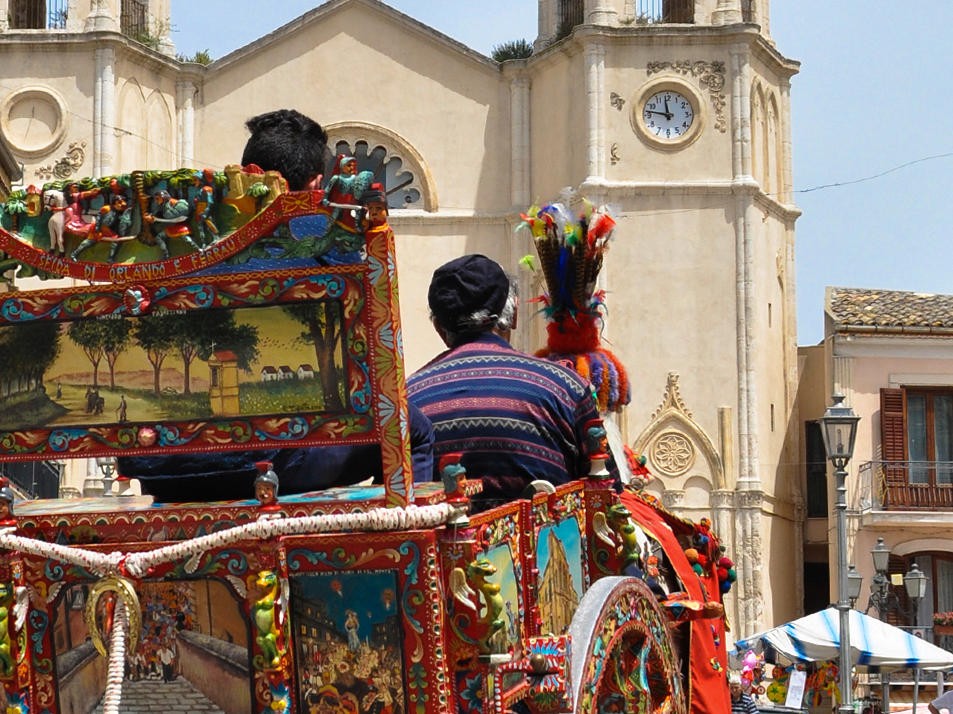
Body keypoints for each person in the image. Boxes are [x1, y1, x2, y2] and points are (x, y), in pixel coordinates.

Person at [118, 109, 434, 501]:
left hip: (161, 468)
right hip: (281, 462)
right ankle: (400, 526)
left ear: (245, 173)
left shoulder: (181, 239)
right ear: (316, 183)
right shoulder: (328, 236)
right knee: (415, 430)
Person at [406, 254, 602, 510]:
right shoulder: (566, 387)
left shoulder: (406, 400)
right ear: (514, 314)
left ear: (438, 328)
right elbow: (606, 495)